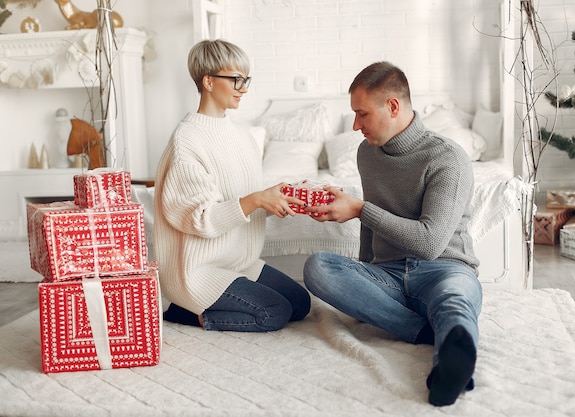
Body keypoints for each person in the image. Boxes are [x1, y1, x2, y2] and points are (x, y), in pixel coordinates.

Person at [302, 61, 482, 407]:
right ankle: (429, 332)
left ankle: (451, 364)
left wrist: (357, 209)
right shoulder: (367, 153)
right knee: (318, 267)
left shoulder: (448, 158)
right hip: (387, 273)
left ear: (393, 107)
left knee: (455, 301)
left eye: (362, 114)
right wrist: (362, 275)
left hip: (445, 269)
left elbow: (430, 244)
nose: (355, 126)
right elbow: (372, 219)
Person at [154, 39, 310, 333]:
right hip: (199, 271)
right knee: (274, 313)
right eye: (236, 79)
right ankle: (183, 312)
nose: (244, 88)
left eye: (246, 79)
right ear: (208, 81)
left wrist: (279, 200)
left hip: (238, 261)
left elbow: (245, 203)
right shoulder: (186, 140)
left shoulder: (243, 135)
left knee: (300, 304)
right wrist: (257, 199)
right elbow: (200, 218)